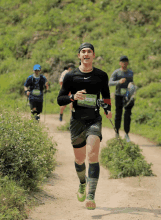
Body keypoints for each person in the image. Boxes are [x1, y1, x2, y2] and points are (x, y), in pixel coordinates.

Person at [57, 43, 112, 210]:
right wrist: (73, 97)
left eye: (89, 51)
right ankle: (82, 183)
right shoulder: (70, 77)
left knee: (92, 155)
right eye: (83, 51)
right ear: (79, 56)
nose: (86, 54)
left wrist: (107, 108)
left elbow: (106, 95)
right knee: (80, 159)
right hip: (76, 122)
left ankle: (91, 195)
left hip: (94, 120)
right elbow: (60, 100)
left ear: (93, 55)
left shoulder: (101, 76)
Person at [108, 55, 134, 142]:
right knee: (118, 115)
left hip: (128, 97)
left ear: (128, 63)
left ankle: (126, 134)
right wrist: (118, 82)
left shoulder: (130, 73)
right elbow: (110, 83)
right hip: (118, 95)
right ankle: (117, 133)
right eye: (122, 62)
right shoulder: (117, 73)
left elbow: (132, 83)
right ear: (120, 63)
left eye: (126, 62)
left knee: (127, 115)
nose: (124, 64)